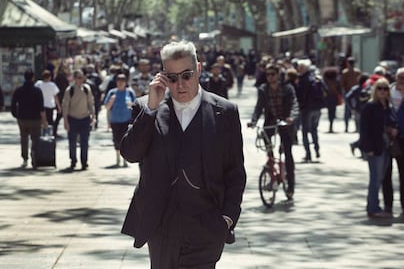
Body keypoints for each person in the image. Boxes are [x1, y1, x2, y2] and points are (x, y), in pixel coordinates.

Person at [120, 41, 246, 268]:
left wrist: (227, 218)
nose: (180, 84)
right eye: (172, 77)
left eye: (186, 75)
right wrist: (150, 110)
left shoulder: (225, 112)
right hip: (161, 227)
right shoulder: (146, 107)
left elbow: (235, 172)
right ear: (163, 76)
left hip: (207, 224)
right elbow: (130, 153)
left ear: (198, 69)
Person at [248, 63, 299, 200]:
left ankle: (291, 187)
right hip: (271, 123)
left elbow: (294, 104)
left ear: (278, 75)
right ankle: (272, 173)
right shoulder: (263, 89)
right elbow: (258, 108)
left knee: (287, 153)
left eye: (273, 74)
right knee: (269, 149)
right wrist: (253, 121)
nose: (270, 77)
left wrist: (291, 117)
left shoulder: (287, 88)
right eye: (268, 75)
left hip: (285, 123)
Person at [360, 78, 398, 218]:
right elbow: (364, 129)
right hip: (375, 147)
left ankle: (375, 205)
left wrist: (394, 129)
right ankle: (373, 208)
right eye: (380, 88)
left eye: (385, 88)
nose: (383, 91)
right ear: (375, 90)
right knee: (375, 178)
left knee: (381, 177)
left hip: (387, 145)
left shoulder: (388, 106)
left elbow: (393, 121)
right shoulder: (370, 106)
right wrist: (367, 147)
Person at [382, 67, 404, 217]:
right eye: (401, 77)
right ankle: (388, 205)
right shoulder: (385, 90)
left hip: (403, 138)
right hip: (387, 137)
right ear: (396, 77)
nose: (403, 81)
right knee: (386, 173)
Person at [11, 69, 48, 168]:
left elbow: (13, 104)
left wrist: (16, 115)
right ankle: (34, 156)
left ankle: (25, 158)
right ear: (33, 77)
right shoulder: (37, 91)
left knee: (24, 138)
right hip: (35, 119)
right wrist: (44, 121)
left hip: (22, 119)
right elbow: (41, 107)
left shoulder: (18, 90)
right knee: (35, 139)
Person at [62, 69, 96, 170]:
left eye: (82, 77)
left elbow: (90, 103)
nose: (81, 80)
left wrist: (93, 116)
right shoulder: (70, 90)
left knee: (84, 142)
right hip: (72, 118)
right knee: (72, 142)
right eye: (79, 77)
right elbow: (65, 106)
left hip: (85, 118)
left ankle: (84, 161)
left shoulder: (87, 88)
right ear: (74, 78)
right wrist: (65, 121)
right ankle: (73, 160)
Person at [104, 73, 136, 167]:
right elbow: (107, 107)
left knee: (126, 140)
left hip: (127, 120)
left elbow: (136, 106)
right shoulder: (112, 92)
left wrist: (131, 105)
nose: (120, 82)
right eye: (119, 80)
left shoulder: (130, 92)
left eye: (122, 80)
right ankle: (118, 159)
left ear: (126, 82)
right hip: (115, 120)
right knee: (117, 140)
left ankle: (125, 160)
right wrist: (111, 101)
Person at [296, 59, 324, 162]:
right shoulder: (315, 78)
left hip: (306, 109)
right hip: (317, 108)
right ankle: (316, 149)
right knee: (314, 130)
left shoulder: (303, 80)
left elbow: (300, 95)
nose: (298, 69)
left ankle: (308, 153)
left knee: (305, 132)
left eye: (300, 68)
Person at [340, 57, 361, 133]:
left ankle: (347, 127)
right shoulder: (357, 72)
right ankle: (356, 127)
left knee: (348, 110)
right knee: (355, 109)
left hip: (349, 92)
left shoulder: (345, 72)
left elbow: (342, 84)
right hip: (355, 93)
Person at [322, 67, 341, 133]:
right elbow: (339, 89)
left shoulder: (325, 80)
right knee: (333, 112)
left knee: (330, 112)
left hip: (328, 97)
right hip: (334, 97)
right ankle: (331, 125)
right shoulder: (336, 80)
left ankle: (330, 126)